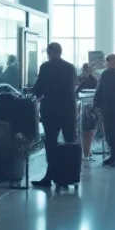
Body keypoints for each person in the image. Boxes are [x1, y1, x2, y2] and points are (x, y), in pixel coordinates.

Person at [31, 42, 78, 188]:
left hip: (51, 110)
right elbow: (72, 88)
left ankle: (50, 175)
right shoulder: (70, 67)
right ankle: (71, 176)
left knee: (51, 143)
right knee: (70, 141)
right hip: (68, 110)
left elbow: (39, 89)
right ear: (61, 51)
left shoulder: (46, 67)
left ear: (50, 53)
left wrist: (34, 92)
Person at [76, 63, 99, 161]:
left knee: (85, 130)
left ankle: (86, 151)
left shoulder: (83, 79)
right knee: (89, 130)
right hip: (91, 106)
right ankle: (87, 152)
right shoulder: (93, 80)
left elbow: (76, 92)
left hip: (85, 106)